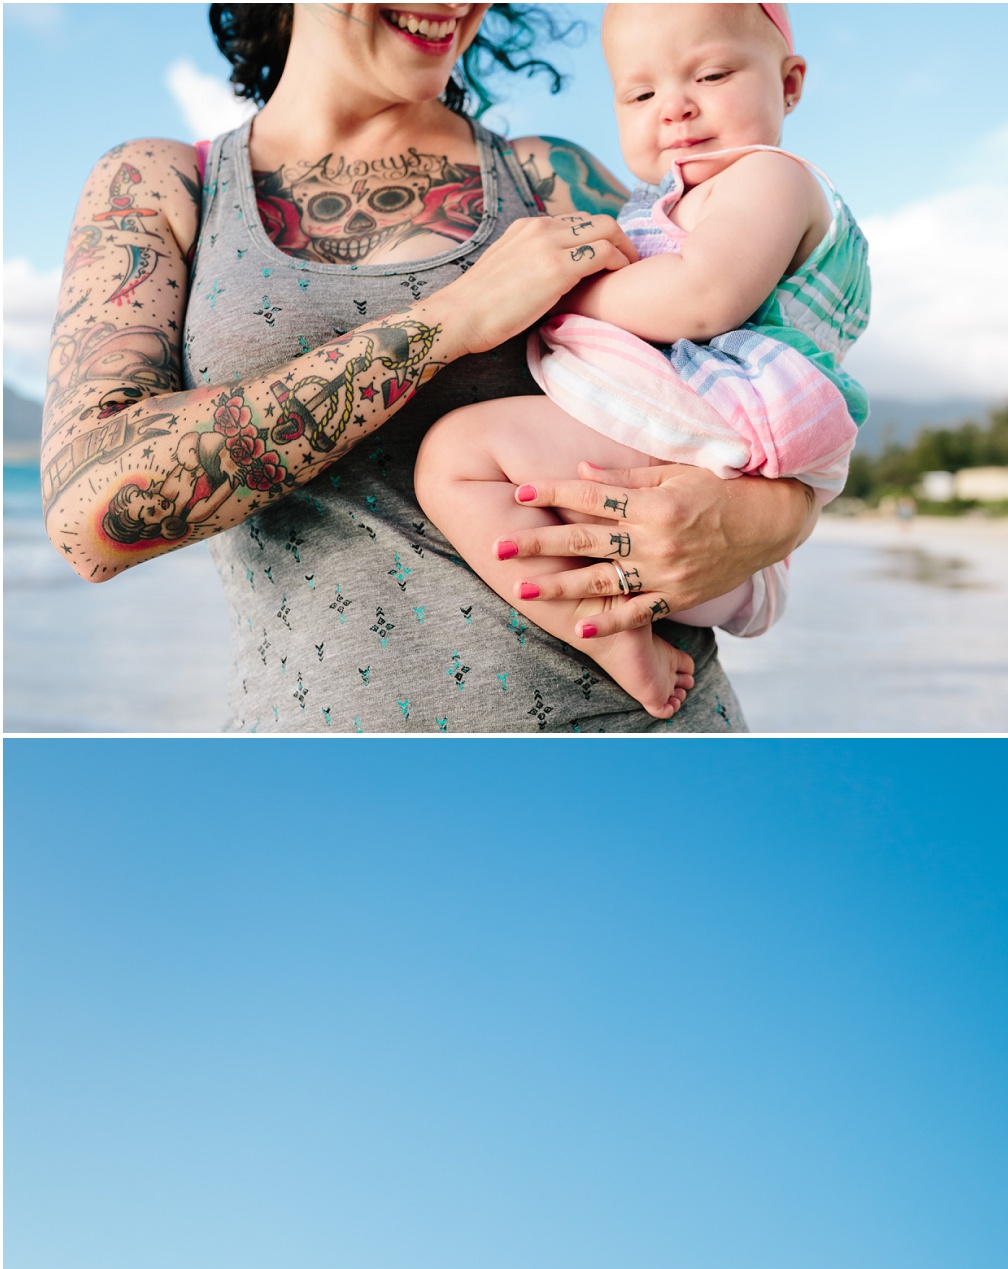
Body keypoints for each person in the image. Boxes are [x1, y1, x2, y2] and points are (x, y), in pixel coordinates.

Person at [39, 5, 816, 735]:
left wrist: (774, 520)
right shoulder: (164, 186)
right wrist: (450, 320)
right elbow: (89, 517)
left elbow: (761, 391)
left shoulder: (550, 177)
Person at [416, 2, 869, 717]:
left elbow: (702, 297)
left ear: (789, 84)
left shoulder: (768, 178)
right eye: (641, 93)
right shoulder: (673, 200)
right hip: (695, 508)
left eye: (711, 74)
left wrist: (564, 290)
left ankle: (607, 635)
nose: (676, 109)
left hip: (716, 452)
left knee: (456, 459)